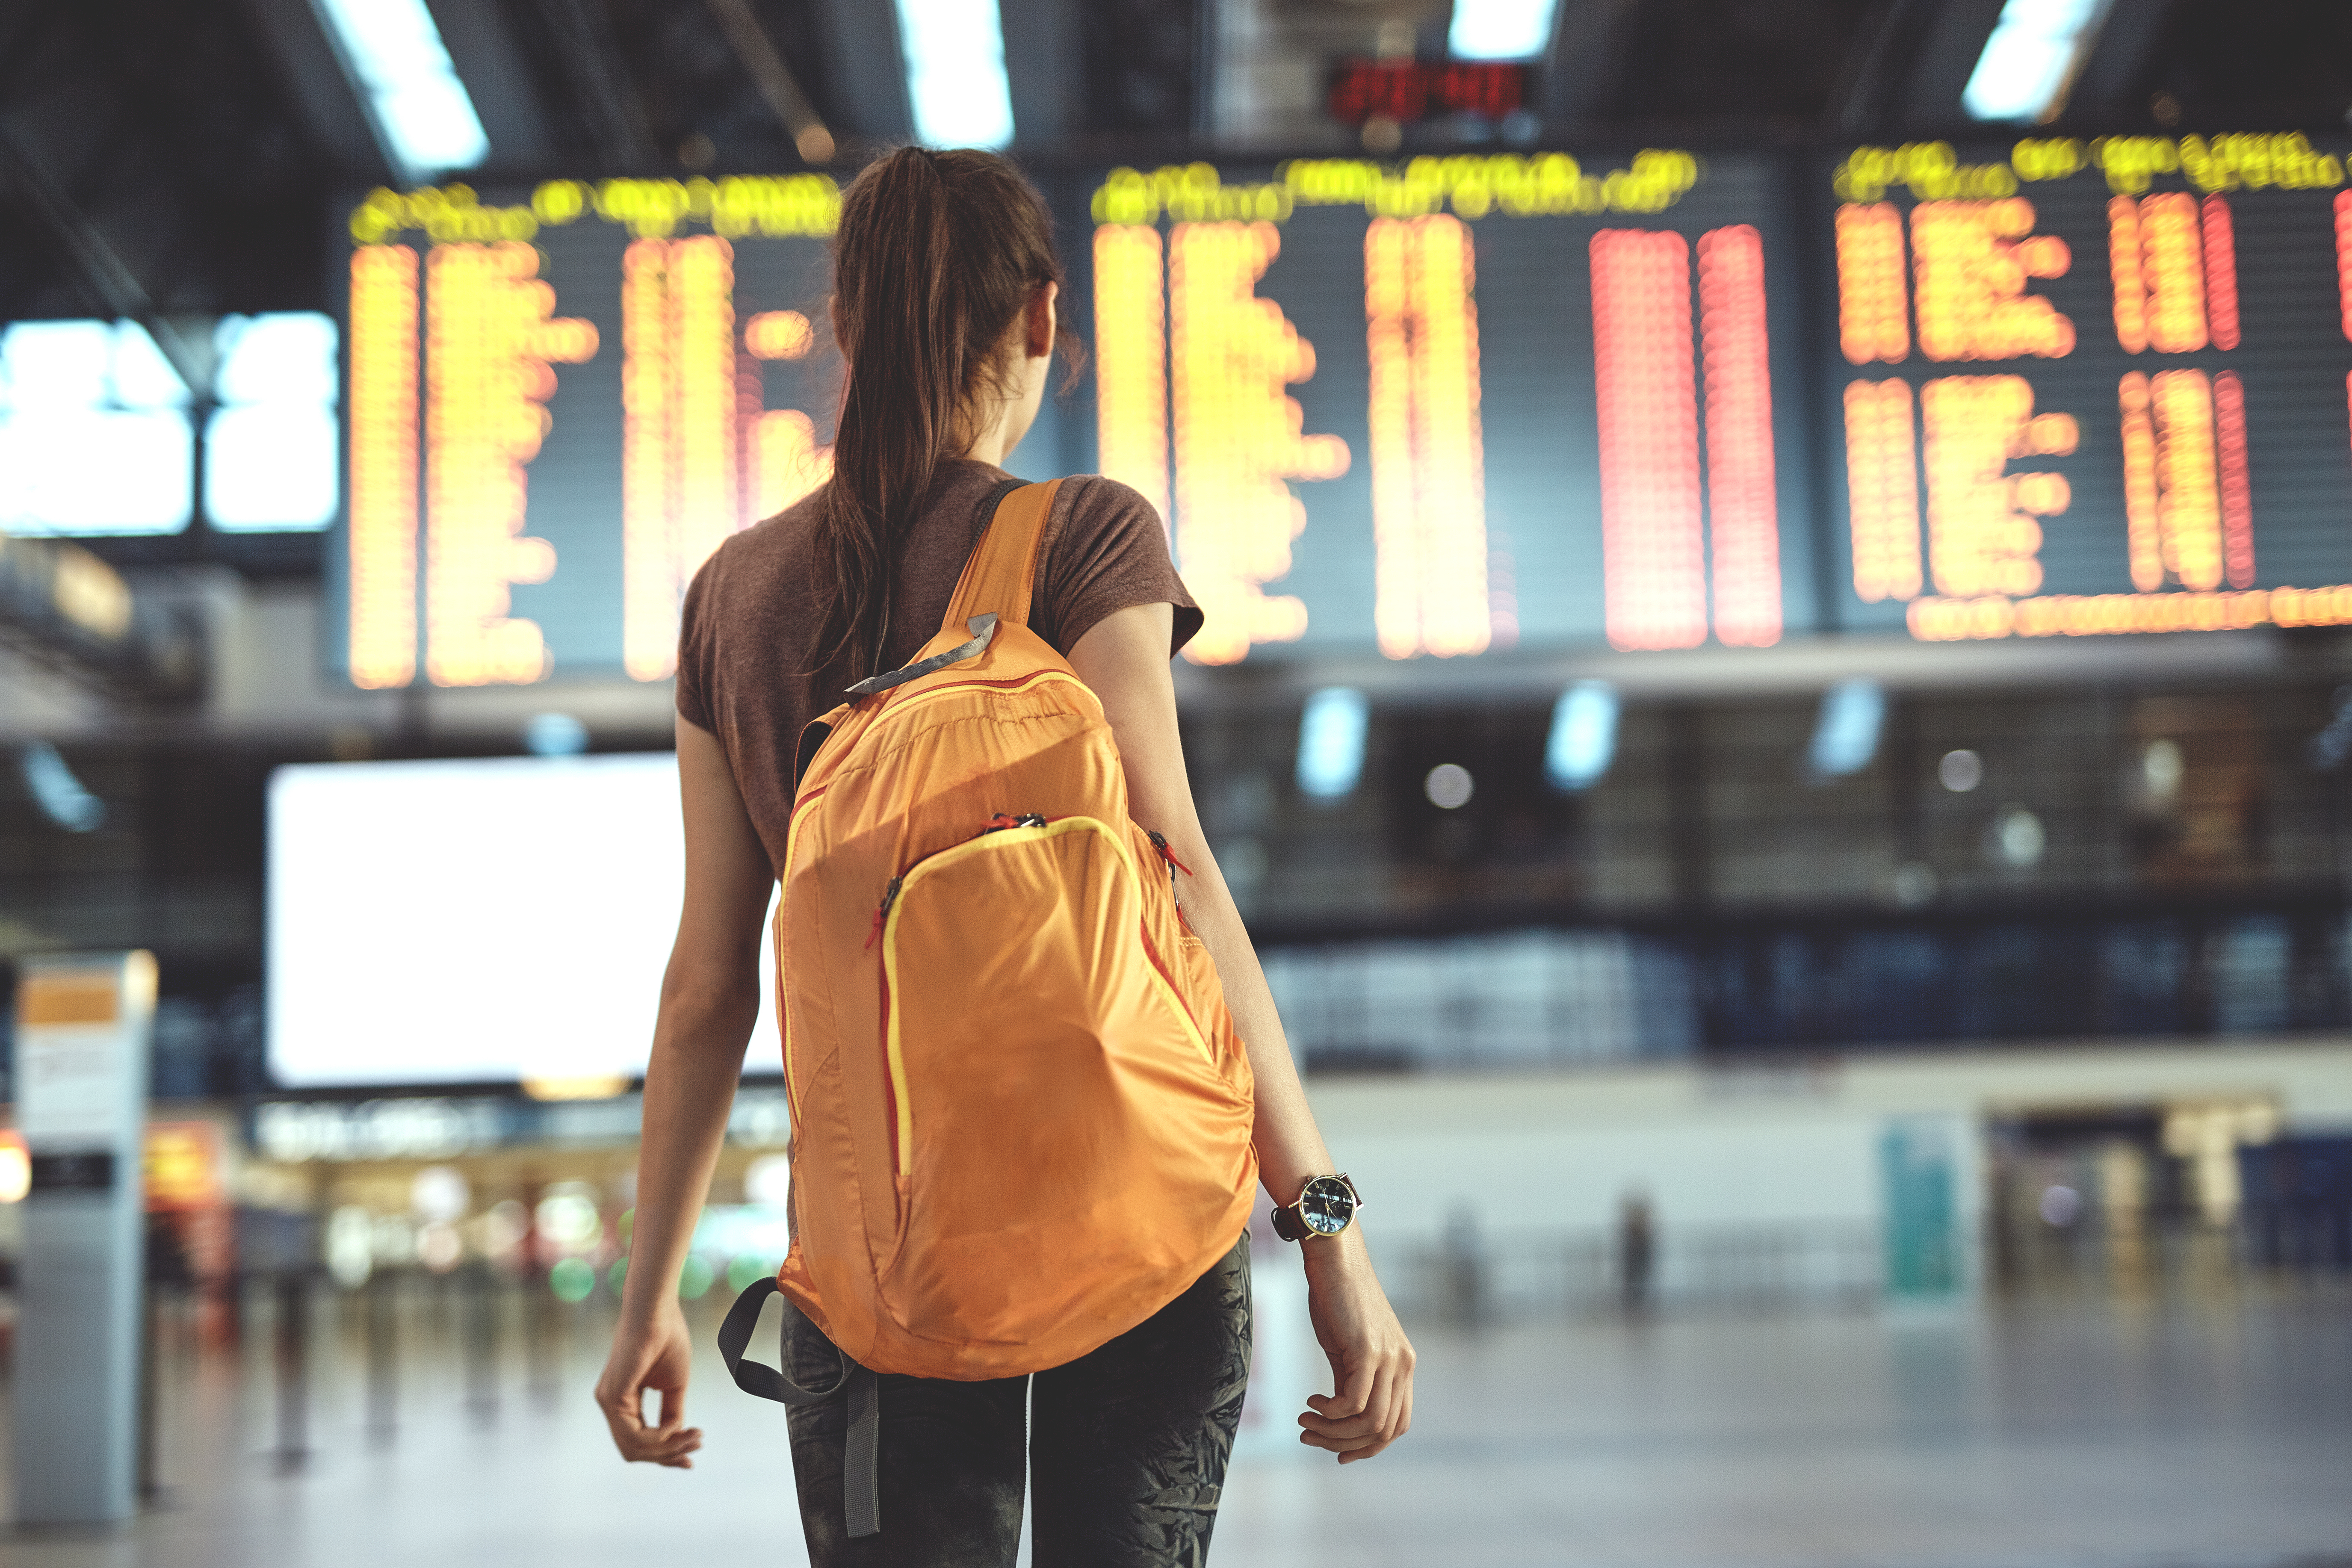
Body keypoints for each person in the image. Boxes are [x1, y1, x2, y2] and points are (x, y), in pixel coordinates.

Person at [593, 146, 1415, 1565]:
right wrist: (1326, 1227)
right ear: (1040, 318)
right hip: (1146, 1218)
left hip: (877, 1261)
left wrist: (648, 1291)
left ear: (842, 328)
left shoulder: (731, 597)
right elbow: (1180, 878)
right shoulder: (1085, 534)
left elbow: (706, 987)